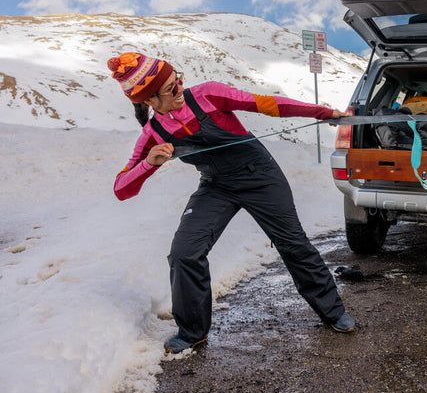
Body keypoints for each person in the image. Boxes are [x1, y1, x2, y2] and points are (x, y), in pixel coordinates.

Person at [108, 51, 356, 353]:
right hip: (216, 185)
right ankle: (192, 332)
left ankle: (333, 312)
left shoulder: (208, 94)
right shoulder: (153, 133)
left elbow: (268, 104)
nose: (181, 88)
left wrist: (325, 113)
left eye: (179, 79)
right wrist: (149, 163)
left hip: (260, 176)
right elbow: (122, 188)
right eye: (171, 88)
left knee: (293, 244)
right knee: (184, 253)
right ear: (150, 101)